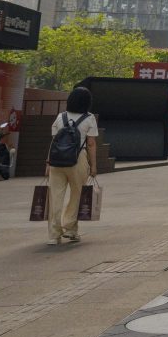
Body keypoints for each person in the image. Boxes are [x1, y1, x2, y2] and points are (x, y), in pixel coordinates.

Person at [44, 87, 98, 245]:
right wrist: (93, 166)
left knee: (55, 196)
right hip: (78, 159)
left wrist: (48, 162)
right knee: (77, 194)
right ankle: (70, 228)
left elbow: (54, 142)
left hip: (57, 160)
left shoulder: (61, 117)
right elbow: (91, 144)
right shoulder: (89, 118)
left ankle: (54, 235)